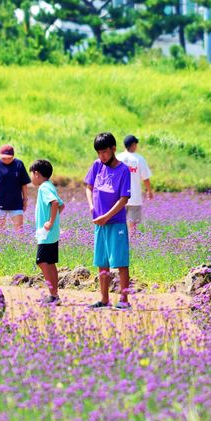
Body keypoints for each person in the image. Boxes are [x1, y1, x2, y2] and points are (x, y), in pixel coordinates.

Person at [84, 132, 132, 310]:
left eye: (104, 152)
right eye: (98, 152)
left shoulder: (123, 170)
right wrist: (91, 207)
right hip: (99, 223)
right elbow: (89, 187)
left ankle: (124, 300)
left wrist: (106, 217)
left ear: (113, 149)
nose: (101, 156)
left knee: (120, 262)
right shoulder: (97, 166)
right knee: (101, 263)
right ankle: (104, 300)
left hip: (116, 222)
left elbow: (124, 199)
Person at [30, 159, 65, 306]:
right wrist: (54, 220)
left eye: (31, 174)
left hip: (46, 234)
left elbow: (55, 203)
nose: (31, 177)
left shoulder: (44, 188)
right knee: (50, 263)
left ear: (37, 174)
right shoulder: (50, 185)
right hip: (51, 233)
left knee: (42, 261)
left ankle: (53, 295)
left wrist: (50, 222)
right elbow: (61, 206)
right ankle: (54, 295)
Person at [0, 144, 31, 231]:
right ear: (0, 155)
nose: (7, 160)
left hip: (16, 202)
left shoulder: (19, 164)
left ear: (13, 156)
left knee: (19, 230)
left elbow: (24, 184)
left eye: (9, 158)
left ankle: (19, 245)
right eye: (4, 158)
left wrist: (25, 199)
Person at [116, 134, 153, 237]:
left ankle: (120, 241)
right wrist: (149, 191)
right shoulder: (139, 159)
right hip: (134, 197)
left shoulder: (118, 158)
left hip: (119, 197)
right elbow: (145, 177)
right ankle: (131, 243)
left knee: (120, 223)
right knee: (133, 226)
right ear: (133, 145)